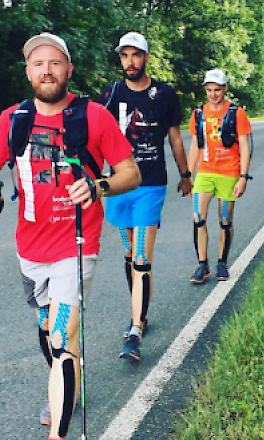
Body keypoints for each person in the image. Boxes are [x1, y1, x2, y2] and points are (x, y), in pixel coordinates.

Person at [0, 32, 140, 440]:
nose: (47, 70)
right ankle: (66, 381)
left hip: (76, 247)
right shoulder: (13, 120)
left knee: (62, 337)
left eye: (55, 62)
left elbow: (130, 172)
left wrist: (98, 187)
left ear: (68, 70)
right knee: (50, 333)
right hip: (30, 250)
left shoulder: (94, 116)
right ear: (28, 71)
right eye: (38, 63)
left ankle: (59, 433)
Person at [98, 32, 192, 362]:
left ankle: (136, 329)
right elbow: (97, 137)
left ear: (146, 57)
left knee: (141, 257)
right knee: (128, 253)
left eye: (135, 55)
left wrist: (185, 175)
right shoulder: (110, 94)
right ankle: (141, 309)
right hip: (119, 186)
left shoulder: (164, 94)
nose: (129, 62)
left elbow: (176, 140)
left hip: (151, 184)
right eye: (124, 56)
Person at [187, 69, 252, 284]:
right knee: (198, 218)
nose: (213, 94)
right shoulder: (198, 114)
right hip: (205, 172)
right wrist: (188, 175)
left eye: (217, 90)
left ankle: (222, 263)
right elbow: (196, 146)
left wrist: (243, 176)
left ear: (225, 89)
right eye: (209, 90)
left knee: (224, 220)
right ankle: (202, 265)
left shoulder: (236, 113)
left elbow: (244, 145)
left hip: (229, 172)